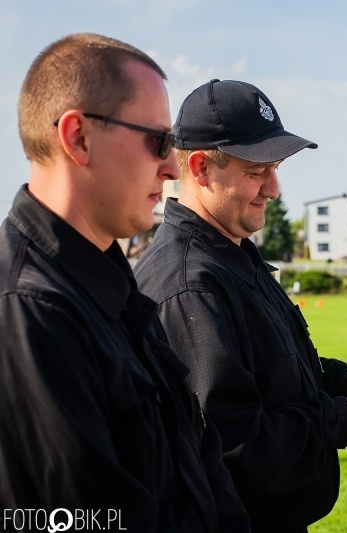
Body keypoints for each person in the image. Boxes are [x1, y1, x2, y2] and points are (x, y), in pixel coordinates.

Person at [134, 79, 347, 532]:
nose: (274, 189)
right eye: (256, 172)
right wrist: (344, 423)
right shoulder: (190, 285)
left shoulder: (233, 255)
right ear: (202, 168)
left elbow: (269, 375)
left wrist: (344, 383)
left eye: (276, 169)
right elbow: (234, 445)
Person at [0, 34, 249, 531]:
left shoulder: (111, 286)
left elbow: (198, 461)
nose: (172, 168)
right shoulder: (30, 311)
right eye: (159, 142)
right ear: (78, 138)